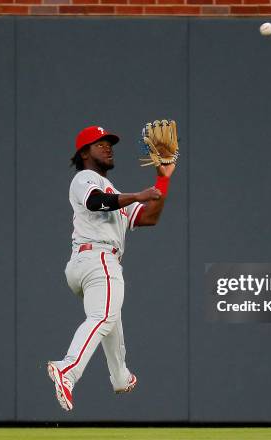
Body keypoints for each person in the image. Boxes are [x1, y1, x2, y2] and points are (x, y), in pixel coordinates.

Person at [47, 125, 175, 411]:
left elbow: (149, 218)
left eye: (110, 143)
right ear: (84, 152)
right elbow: (96, 202)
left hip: (89, 264)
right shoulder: (84, 179)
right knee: (103, 317)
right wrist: (137, 195)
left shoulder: (113, 190)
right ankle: (68, 369)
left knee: (109, 318)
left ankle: (120, 376)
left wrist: (162, 180)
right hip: (98, 259)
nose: (108, 147)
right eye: (99, 143)